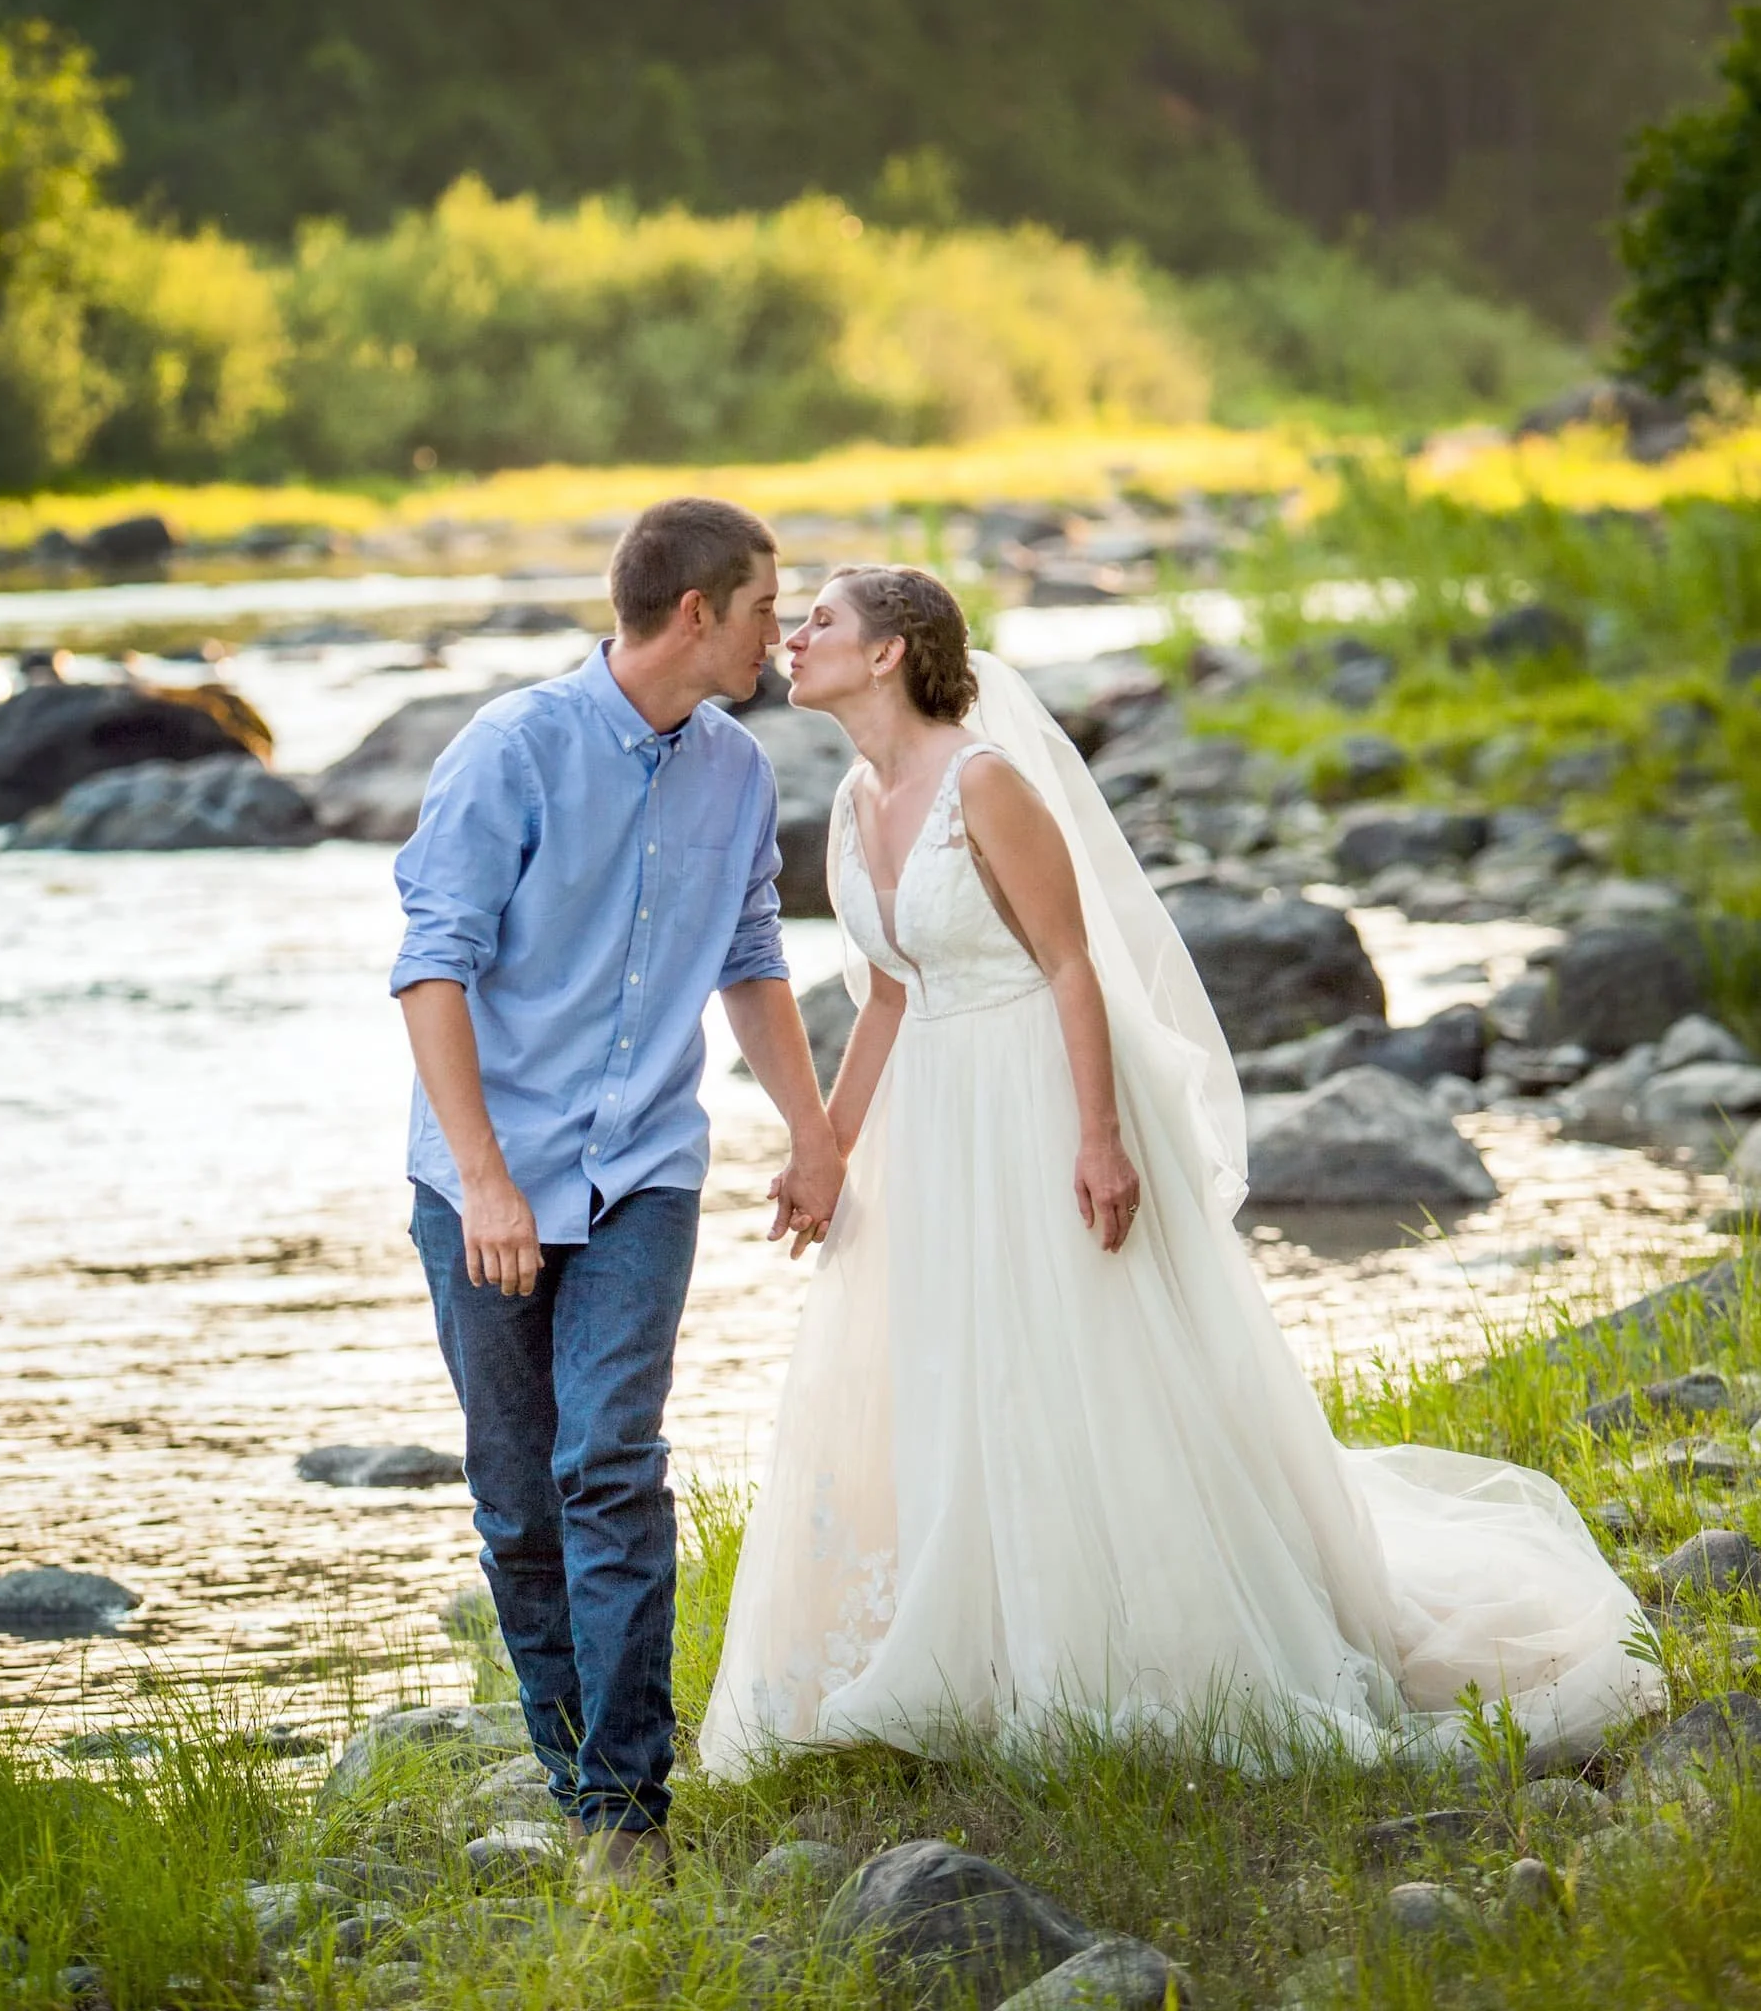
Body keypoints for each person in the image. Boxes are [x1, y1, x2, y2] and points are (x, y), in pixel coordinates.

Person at [699, 564, 1664, 1777]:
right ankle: (972, 1635)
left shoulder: (982, 785)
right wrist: (827, 1151)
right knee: (947, 1360)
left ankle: (1115, 1639)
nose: (794, 636)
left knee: (1071, 1359)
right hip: (931, 1113)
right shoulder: (847, 800)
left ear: (890, 652)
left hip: (1036, 1092)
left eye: (820, 621)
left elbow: (1067, 966)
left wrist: (1096, 1135)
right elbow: (887, 997)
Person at [391, 498, 844, 1895]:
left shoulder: (739, 772)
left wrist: (814, 1134)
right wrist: (484, 1180)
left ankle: (623, 1812)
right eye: (768, 608)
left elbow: (752, 960)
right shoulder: (511, 751)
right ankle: (570, 1764)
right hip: (485, 1180)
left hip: (645, 1165)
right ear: (697, 612)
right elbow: (432, 971)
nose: (787, 633)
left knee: (610, 1465)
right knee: (519, 1501)